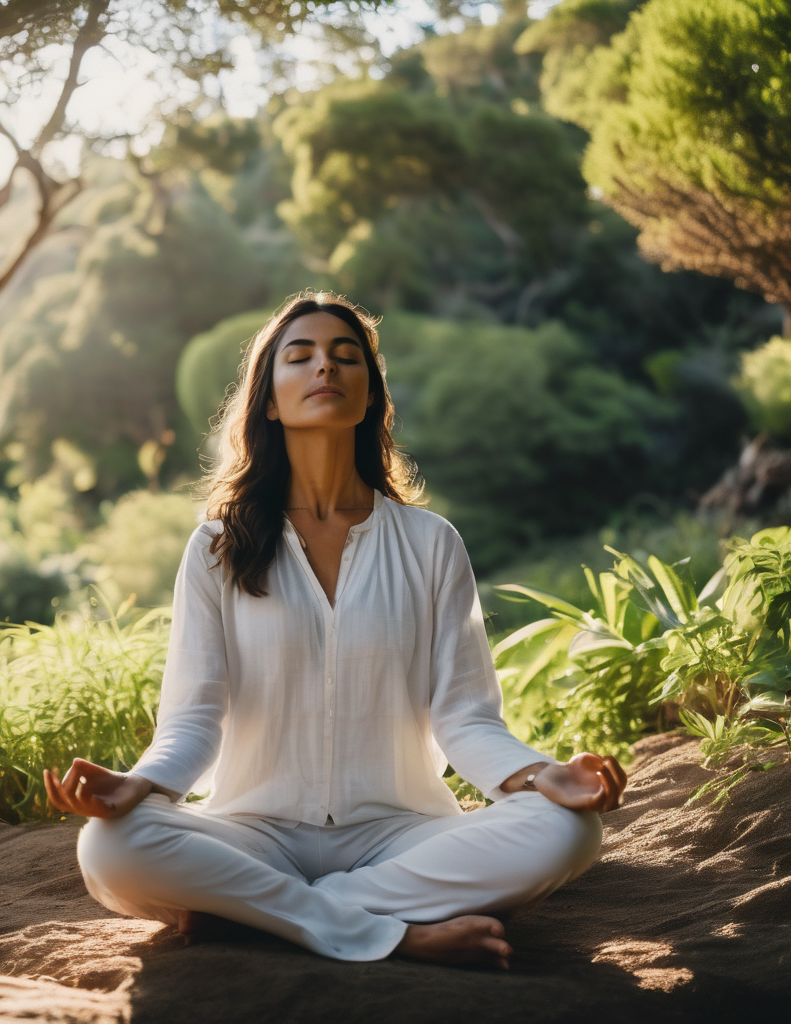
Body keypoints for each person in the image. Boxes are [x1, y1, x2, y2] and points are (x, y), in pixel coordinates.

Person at [44, 292, 627, 969]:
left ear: (370, 397)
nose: (326, 366)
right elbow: (193, 718)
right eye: (302, 355)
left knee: (568, 832)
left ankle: (268, 913)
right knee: (109, 848)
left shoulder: (430, 543)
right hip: (251, 830)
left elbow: (465, 717)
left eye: (346, 356)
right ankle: (395, 930)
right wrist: (138, 785)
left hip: (403, 833)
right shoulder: (216, 548)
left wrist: (539, 775)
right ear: (269, 399)